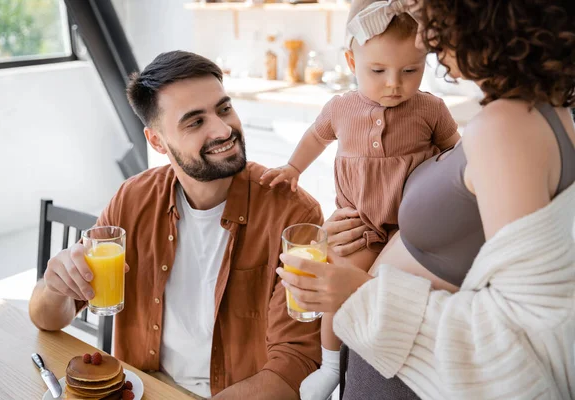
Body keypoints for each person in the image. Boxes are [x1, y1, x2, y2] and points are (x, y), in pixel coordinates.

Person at [277, 0, 575, 398]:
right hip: (393, 360)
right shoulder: (541, 112)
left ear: (479, 19)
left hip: (409, 379)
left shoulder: (506, 127)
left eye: (435, 16)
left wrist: (360, 293)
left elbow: (518, 323)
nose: (424, 37)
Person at [29, 50, 324, 400]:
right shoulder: (132, 199)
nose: (223, 129)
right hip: (142, 389)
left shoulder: (293, 213)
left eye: (224, 108)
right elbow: (48, 319)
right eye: (195, 122)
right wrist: (55, 286)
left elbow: (294, 364)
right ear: (156, 141)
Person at [260, 0, 460, 398]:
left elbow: (457, 154)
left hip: (411, 229)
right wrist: (293, 168)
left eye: (410, 71)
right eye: (378, 71)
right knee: (337, 284)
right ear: (352, 60)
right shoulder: (340, 108)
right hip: (361, 225)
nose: (394, 84)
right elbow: (316, 137)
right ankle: (331, 366)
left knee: (386, 299)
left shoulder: (431, 108)